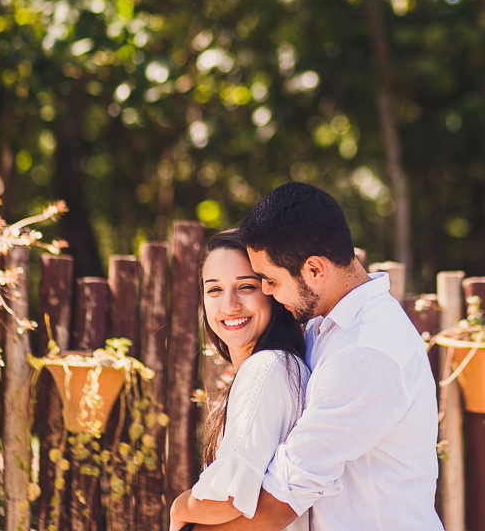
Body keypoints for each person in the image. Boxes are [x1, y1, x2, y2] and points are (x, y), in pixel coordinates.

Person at [200, 181, 445, 531]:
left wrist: (183, 516)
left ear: (314, 270)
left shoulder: (367, 348)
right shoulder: (326, 328)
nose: (266, 291)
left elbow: (282, 499)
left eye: (269, 280)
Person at [169, 229, 312, 531]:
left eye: (246, 287)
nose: (229, 305)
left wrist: (179, 507)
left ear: (272, 291)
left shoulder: (267, 367)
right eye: (214, 290)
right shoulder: (286, 366)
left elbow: (230, 496)